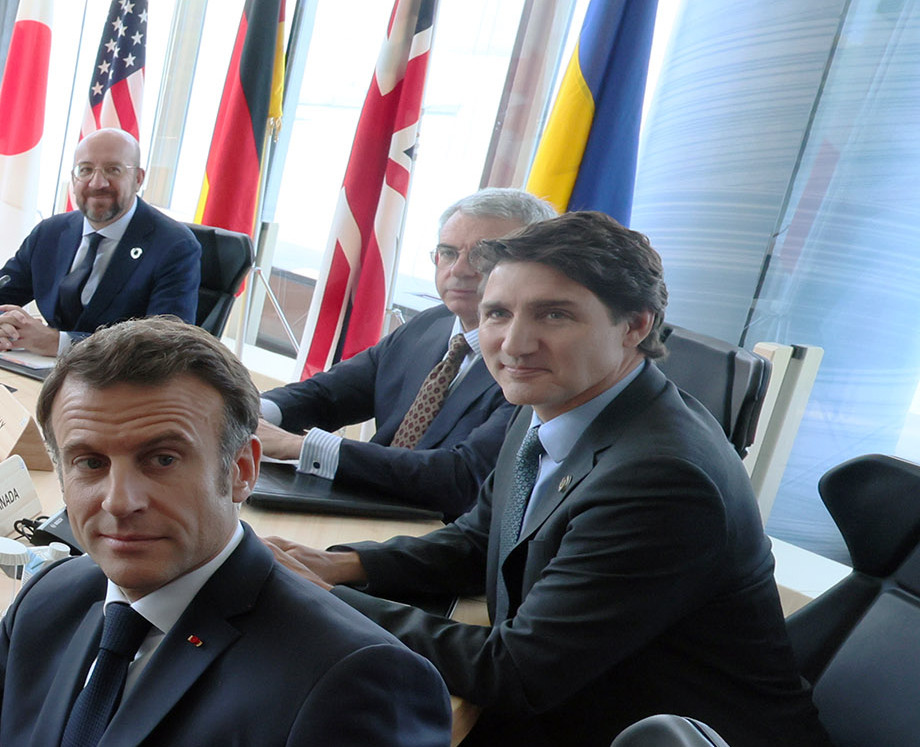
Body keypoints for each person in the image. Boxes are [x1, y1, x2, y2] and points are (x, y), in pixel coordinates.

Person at [269, 212, 829, 747]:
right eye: (497, 314)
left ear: (635, 325)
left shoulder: (662, 480)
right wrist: (349, 564)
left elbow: (515, 673)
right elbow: (481, 539)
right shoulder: (553, 401)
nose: (514, 343)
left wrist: (329, 599)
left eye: (553, 315)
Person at [0, 318, 450, 746]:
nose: (119, 501)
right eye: (89, 462)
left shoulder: (356, 680)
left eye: (161, 458)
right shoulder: (60, 595)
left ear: (241, 469)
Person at [256, 189, 555, 519]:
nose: (459, 270)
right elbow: (326, 395)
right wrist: (248, 417)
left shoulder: (531, 364)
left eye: (482, 257)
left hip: (435, 534)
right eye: (448, 252)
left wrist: (301, 446)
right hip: (365, 508)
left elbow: (461, 478)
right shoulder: (430, 325)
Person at [0, 128, 200, 353]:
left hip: (119, 387)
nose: (97, 183)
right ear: (74, 178)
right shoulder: (50, 233)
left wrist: (59, 343)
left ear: (138, 178)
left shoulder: (174, 246)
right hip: (37, 373)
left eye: (113, 170)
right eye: (85, 170)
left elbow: (163, 345)